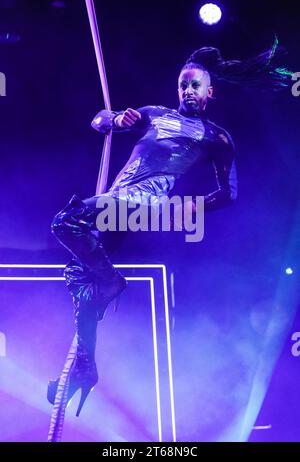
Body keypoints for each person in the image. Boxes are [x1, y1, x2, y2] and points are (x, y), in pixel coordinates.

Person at [47, 41, 292, 420]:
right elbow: (98, 119)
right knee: (82, 282)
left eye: (195, 86)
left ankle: (111, 282)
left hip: (143, 206)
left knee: (66, 221)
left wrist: (193, 206)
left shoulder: (216, 137)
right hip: (117, 203)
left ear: (210, 91)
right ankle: (86, 366)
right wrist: (116, 120)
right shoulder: (153, 114)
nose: (188, 92)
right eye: (183, 85)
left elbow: (230, 193)